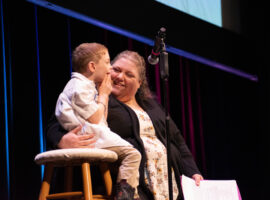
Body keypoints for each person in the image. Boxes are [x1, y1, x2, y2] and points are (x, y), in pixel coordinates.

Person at [47, 50, 203, 200]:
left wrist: (193, 172)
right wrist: (61, 140)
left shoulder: (152, 106)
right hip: (126, 182)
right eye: (116, 69)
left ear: (139, 83)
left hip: (168, 184)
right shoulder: (91, 95)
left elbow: (177, 140)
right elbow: (57, 119)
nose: (120, 76)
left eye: (129, 75)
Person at [54, 43, 141, 200]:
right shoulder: (78, 86)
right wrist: (103, 96)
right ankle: (124, 196)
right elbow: (95, 119)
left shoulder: (88, 86)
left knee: (131, 154)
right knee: (132, 154)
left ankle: (127, 194)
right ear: (92, 66)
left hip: (94, 133)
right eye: (108, 63)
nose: (109, 68)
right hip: (88, 136)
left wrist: (104, 94)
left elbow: (101, 118)